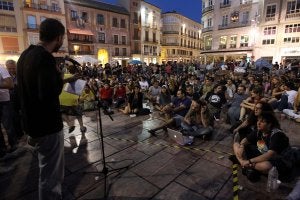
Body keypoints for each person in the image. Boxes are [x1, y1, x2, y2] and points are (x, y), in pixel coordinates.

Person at [17, 18, 75, 200]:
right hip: (47, 126)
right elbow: (48, 93)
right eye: (62, 38)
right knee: (51, 175)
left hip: (31, 123)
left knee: (45, 170)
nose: (61, 42)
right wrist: (59, 77)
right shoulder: (45, 58)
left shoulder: (25, 55)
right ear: (58, 37)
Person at [231, 113, 292, 182]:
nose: (258, 123)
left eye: (262, 122)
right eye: (258, 121)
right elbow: (245, 140)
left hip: (279, 160)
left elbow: (269, 155)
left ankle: (246, 165)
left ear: (269, 124)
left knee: (265, 166)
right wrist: (241, 146)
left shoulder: (276, 135)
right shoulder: (259, 130)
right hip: (262, 152)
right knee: (236, 144)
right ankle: (244, 164)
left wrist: (249, 161)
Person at [0, 65, 14, 158]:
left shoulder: (1, 68)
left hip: (4, 101)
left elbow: (10, 84)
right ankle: (2, 150)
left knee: (7, 125)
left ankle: (13, 146)